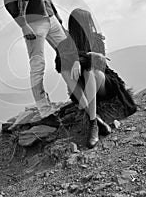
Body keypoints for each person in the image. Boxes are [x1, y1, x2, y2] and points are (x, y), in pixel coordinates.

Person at [55, 8, 137, 148]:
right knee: (64, 71)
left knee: (90, 71)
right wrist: (75, 58)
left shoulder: (96, 39)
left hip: (103, 84)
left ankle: (92, 123)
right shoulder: (65, 44)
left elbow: (100, 63)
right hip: (84, 90)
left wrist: (79, 59)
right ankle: (97, 121)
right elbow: (59, 63)